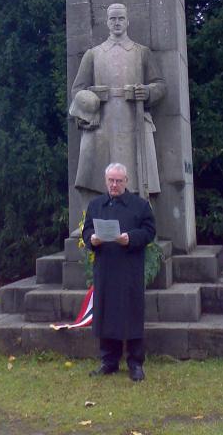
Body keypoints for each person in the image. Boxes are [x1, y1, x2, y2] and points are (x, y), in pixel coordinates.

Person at [70, 3, 166, 201]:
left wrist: (147, 92)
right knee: (96, 178)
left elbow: (160, 85)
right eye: (113, 19)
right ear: (107, 22)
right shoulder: (93, 54)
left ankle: (137, 221)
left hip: (133, 119)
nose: (117, 23)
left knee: (136, 177)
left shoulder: (141, 52)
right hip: (102, 123)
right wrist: (90, 104)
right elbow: (77, 89)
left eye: (121, 18)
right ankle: (91, 223)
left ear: (127, 21)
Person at [82, 163, 155, 381]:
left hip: (129, 268)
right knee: (106, 314)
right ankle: (109, 361)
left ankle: (135, 363)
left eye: (118, 181)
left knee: (132, 313)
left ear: (126, 181)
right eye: (111, 181)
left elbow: (150, 231)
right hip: (105, 268)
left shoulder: (140, 205)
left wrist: (130, 238)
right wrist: (91, 239)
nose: (114, 185)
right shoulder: (96, 205)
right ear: (106, 181)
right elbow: (87, 230)